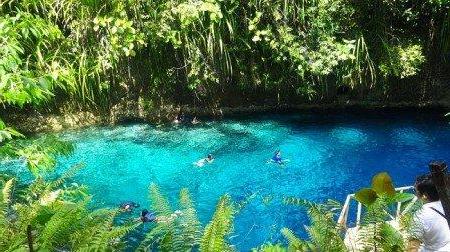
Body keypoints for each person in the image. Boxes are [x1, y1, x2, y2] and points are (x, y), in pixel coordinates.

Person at [407, 174, 450, 252]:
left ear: (424, 196)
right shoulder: (447, 204)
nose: (415, 194)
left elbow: (412, 248)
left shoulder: (420, 215)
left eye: (415, 191)